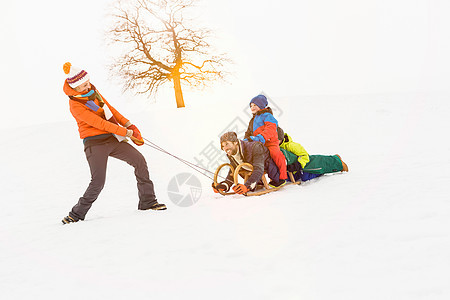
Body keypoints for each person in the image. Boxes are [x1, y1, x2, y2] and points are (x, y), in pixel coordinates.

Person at [61, 62, 166, 224]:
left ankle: (148, 202)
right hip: (94, 144)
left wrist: (129, 125)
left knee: (139, 160)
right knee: (98, 181)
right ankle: (75, 215)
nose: (87, 87)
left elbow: (111, 110)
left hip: (112, 139)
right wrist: (126, 133)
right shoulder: (75, 105)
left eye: (88, 83)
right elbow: (99, 123)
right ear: (75, 88)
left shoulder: (93, 92)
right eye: (83, 86)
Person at [212, 132, 280, 195]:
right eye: (223, 146)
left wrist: (247, 186)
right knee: (238, 169)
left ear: (235, 142)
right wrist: (225, 185)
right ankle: (257, 183)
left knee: (256, 169)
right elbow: (233, 171)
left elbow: (259, 169)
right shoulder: (231, 153)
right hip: (251, 171)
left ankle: (257, 183)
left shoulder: (255, 147)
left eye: (227, 144)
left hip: (270, 168)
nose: (225, 148)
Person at [244, 95, 287, 187]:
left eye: (255, 105)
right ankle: (257, 179)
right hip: (258, 144)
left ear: (262, 105)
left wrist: (261, 137)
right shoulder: (252, 120)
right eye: (251, 106)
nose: (252, 107)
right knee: (253, 158)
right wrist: (244, 142)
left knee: (275, 154)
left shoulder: (267, 115)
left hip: (270, 142)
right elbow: (248, 133)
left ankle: (282, 178)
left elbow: (271, 128)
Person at [277, 127, 348, 182]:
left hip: (304, 164)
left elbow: (305, 156)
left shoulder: (291, 145)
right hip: (294, 170)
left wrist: (298, 164)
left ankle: (336, 161)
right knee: (290, 178)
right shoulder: (276, 147)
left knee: (306, 176)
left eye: (277, 140)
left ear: (281, 138)